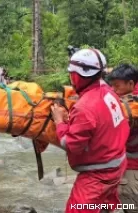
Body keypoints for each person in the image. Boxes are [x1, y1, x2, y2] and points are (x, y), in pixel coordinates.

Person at [51, 49, 129, 213]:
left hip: (97, 175)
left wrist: (59, 122)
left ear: (77, 76)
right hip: (117, 165)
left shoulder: (84, 108)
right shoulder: (108, 91)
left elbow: (71, 145)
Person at [108, 64, 138, 213]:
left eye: (117, 86)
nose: (113, 90)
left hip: (131, 169)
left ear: (131, 84)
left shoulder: (130, 106)